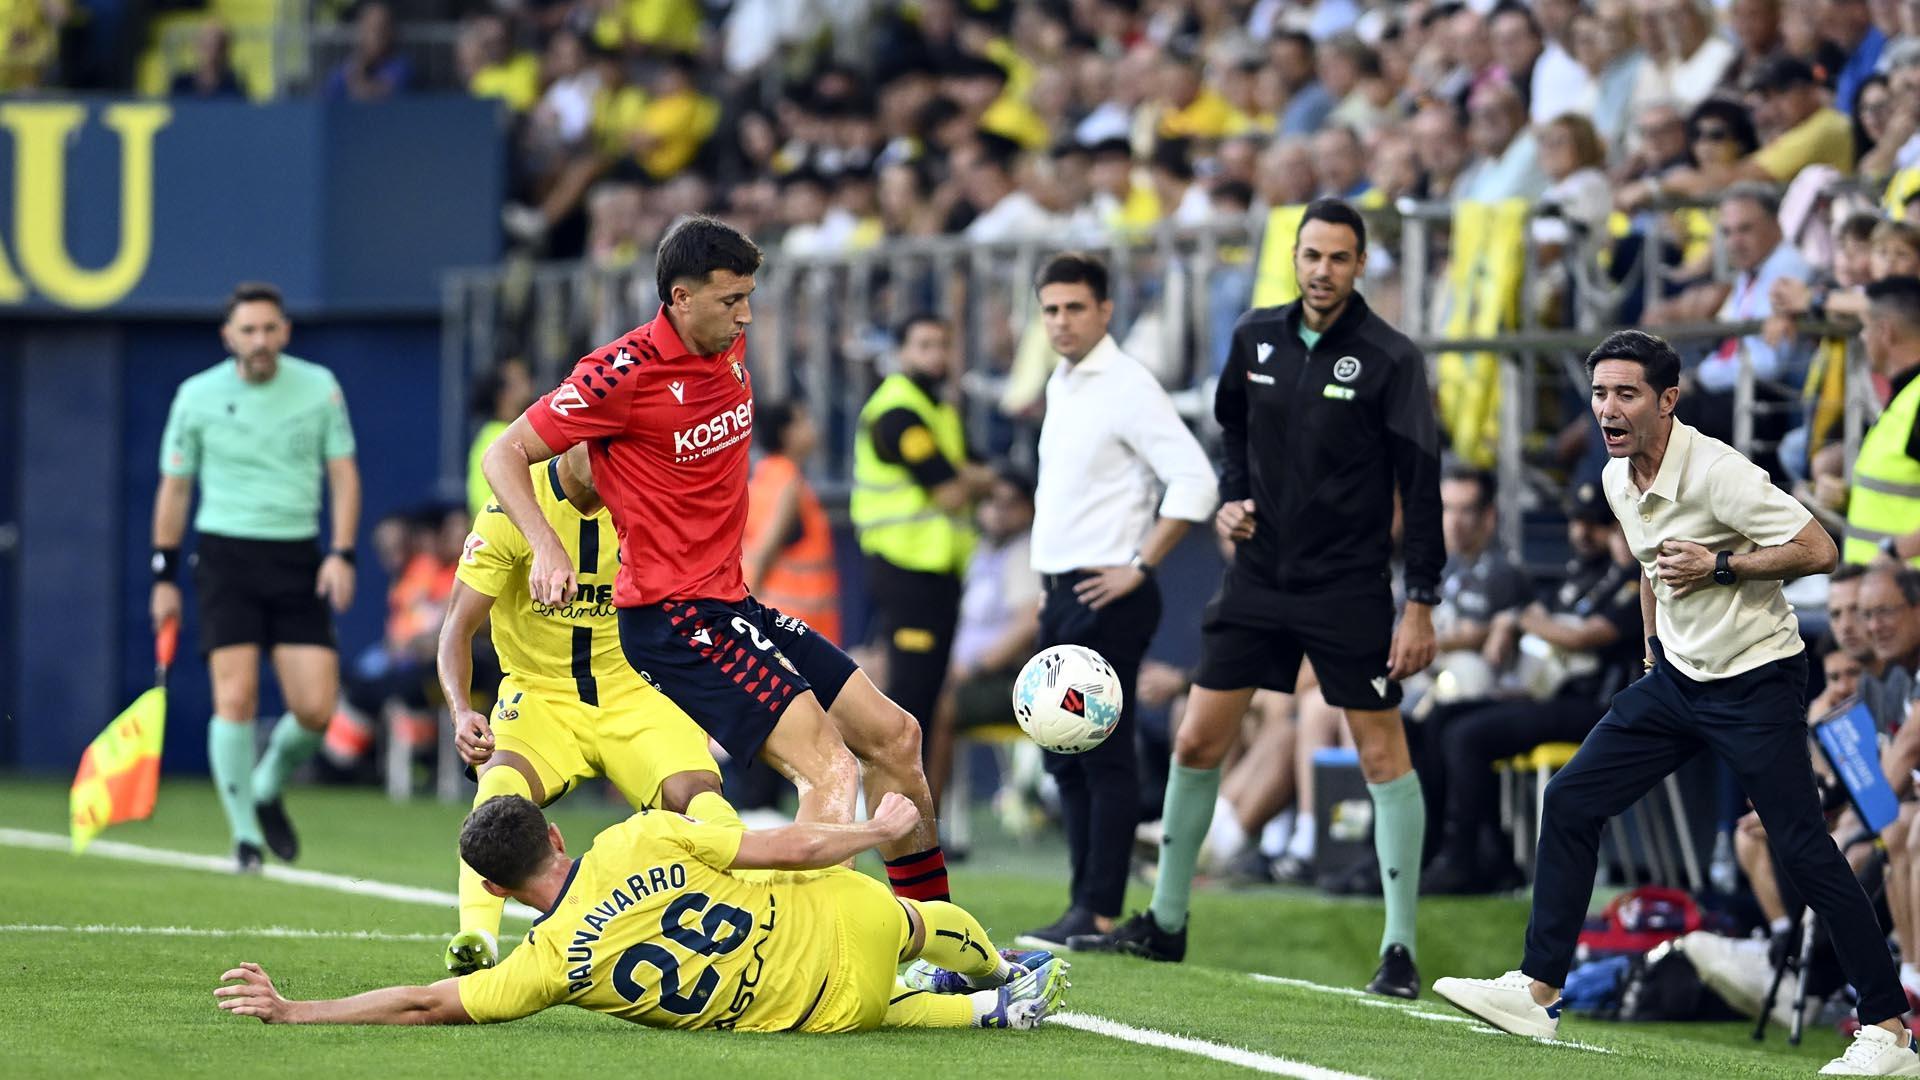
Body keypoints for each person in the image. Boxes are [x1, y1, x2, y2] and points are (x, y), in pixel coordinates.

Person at [1433, 330, 1917, 1077]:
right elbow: (1650, 565)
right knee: (1571, 800)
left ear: (1667, 400)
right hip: (1677, 680)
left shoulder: (1719, 471)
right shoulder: (1615, 478)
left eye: (1626, 394)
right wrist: (1654, 649)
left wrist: (1722, 565)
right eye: (1599, 393)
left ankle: (1888, 1032)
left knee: (1802, 848)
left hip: (1757, 679)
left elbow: (1820, 549)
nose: (1608, 408)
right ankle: (1537, 992)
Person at [482, 216, 952, 906]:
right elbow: (505, 453)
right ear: (680, 298)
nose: (746, 316)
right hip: (673, 617)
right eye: (731, 300)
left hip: (730, 603)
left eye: (749, 297)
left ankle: (936, 934)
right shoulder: (620, 373)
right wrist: (548, 545)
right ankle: (817, 950)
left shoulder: (725, 347)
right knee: (829, 769)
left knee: (896, 736)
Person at [1078, 199, 1445, 1005]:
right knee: (1197, 740)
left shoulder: (1392, 357)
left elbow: (1422, 488)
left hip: (1349, 586)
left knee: (1382, 755)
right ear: (1295, 257)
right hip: (1257, 579)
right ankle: (1166, 920)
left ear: (1360, 265)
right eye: (1312, 255)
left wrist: (1420, 600)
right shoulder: (1254, 336)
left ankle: (1399, 949)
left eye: (1339, 258)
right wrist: (1235, 498)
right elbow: (1232, 434)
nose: (1323, 271)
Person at [213, 792, 1071, 1032]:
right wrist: (875, 831)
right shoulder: (639, 836)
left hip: (815, 1012)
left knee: (870, 1004)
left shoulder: (547, 967)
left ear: (500, 892)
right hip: (846, 921)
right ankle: (994, 970)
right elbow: (787, 845)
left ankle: (985, 1012)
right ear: (555, 834)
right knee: (910, 924)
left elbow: (423, 1002)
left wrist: (296, 1009)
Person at [437, 445, 731, 975]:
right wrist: (461, 711)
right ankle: (476, 938)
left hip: (636, 693)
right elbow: (457, 628)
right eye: (602, 444)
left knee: (698, 797)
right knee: (498, 791)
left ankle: (761, 917)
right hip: (540, 696)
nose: (617, 459)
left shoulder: (650, 501)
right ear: (568, 439)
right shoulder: (511, 508)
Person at [1013, 251, 1217, 952]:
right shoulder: (1065, 381)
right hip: (1063, 592)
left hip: (1107, 593)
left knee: (1099, 750)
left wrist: (1139, 565)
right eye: (1051, 310)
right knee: (1064, 754)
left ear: (1105, 310)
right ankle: (1083, 905)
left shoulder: (1128, 384)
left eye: (1075, 307)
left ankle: (1098, 911)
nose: (1061, 321)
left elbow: (1195, 481)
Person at [151, 281, 359, 872]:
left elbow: (343, 475)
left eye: (270, 328)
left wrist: (342, 553)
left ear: (285, 331)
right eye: (248, 330)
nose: (260, 340)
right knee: (235, 697)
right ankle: (245, 838)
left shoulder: (319, 387)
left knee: (316, 710)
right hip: (225, 557)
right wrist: (163, 574)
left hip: (297, 557)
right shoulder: (196, 396)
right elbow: (175, 488)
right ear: (228, 336)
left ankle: (267, 783)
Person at [1421, 483, 1644, 894]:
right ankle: (1464, 851)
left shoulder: (1636, 579)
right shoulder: (1581, 574)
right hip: (1549, 693)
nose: (1583, 532)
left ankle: (1464, 858)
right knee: (1443, 718)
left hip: (1600, 704)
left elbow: (1582, 637)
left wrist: (1517, 618)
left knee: (1467, 736)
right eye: (1577, 521)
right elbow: (1548, 630)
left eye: (1598, 524)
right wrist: (1516, 623)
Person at [851, 315, 995, 763]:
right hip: (905, 569)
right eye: (924, 345)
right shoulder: (897, 413)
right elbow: (952, 490)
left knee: (930, 700)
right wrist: (969, 478)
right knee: (910, 699)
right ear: (902, 352)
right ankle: (894, 803)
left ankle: (919, 807)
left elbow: (984, 475)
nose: (936, 355)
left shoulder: (940, 411)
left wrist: (967, 477)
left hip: (940, 572)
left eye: (943, 345)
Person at [745, 399, 841, 644]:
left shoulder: (765, 475)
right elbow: (766, 548)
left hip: (781, 619)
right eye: (802, 421)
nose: (812, 427)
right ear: (786, 433)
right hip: (796, 624)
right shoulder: (788, 484)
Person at [1844, 278, 1920, 565]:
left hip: (1905, 585)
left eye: (1865, 327)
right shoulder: (1906, 395)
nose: (1862, 337)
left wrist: (1894, 552)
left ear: (1885, 332)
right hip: (1881, 585)